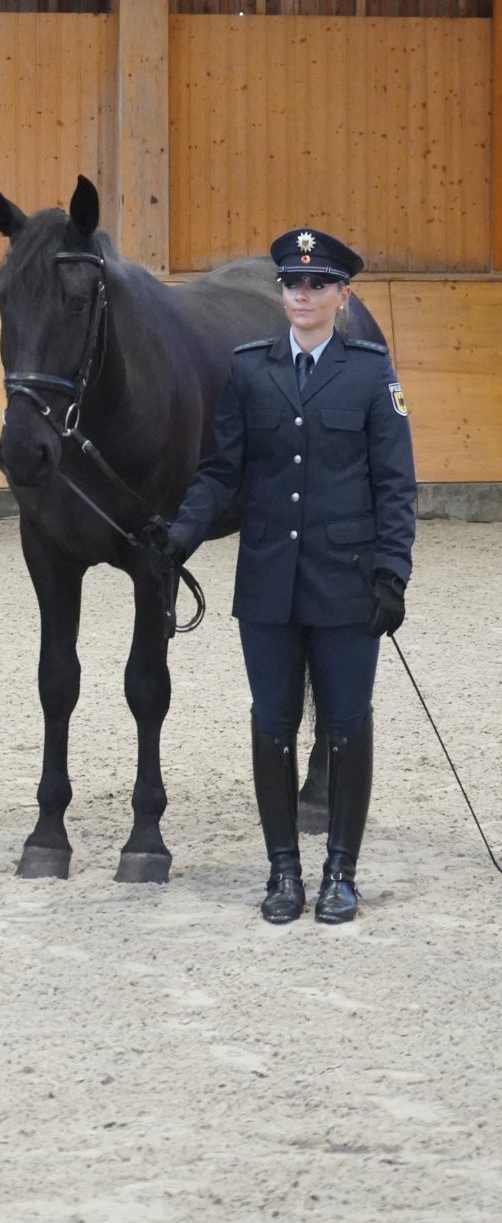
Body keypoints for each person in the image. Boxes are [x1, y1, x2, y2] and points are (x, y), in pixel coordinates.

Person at [147, 227, 415, 926]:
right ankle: (283, 872)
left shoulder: (370, 373)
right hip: (268, 581)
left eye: (317, 284)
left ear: (341, 295)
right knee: (272, 726)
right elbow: (220, 472)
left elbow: (395, 485)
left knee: (347, 725)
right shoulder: (249, 370)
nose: (302, 295)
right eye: (293, 284)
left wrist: (393, 572)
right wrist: (180, 536)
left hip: (347, 581)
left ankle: (341, 873)